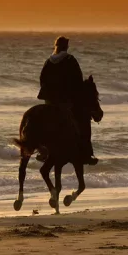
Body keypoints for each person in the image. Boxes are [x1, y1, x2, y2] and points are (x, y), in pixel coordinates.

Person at [37, 36, 97, 165]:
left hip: (50, 100)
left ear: (56, 46)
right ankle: (86, 154)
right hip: (66, 100)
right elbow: (78, 80)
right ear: (66, 47)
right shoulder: (70, 60)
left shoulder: (49, 61)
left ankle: (42, 151)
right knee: (83, 123)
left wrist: (49, 93)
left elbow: (42, 79)